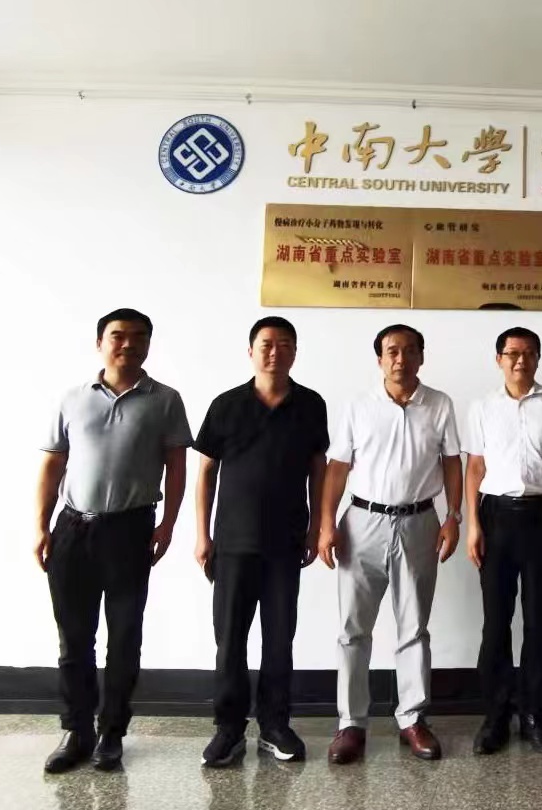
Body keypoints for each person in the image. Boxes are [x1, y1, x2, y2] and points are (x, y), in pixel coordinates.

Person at [36, 308, 193, 774]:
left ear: (148, 344)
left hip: (130, 530)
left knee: (124, 636)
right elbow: (53, 464)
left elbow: (176, 467)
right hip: (72, 529)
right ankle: (76, 730)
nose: (128, 344)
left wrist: (168, 525)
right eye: (118, 336)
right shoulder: (73, 398)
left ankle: (112, 732)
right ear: (100, 343)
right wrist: (40, 525)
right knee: (74, 638)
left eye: (138, 337)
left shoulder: (165, 400)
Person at [318, 324, 462, 765]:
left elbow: (452, 463)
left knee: (414, 626)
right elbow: (337, 468)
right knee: (353, 628)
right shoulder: (358, 406)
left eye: (409, 351)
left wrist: (453, 516)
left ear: (422, 356)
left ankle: (412, 719)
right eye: (392, 351)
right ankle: (350, 724)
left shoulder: (439, 404)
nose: (401, 359)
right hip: (362, 523)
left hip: (420, 522)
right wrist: (325, 523)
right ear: (380, 359)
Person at [193, 317, 329, 767]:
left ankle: (275, 726)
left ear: (295, 353)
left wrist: (316, 527)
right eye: (267, 344)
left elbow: (318, 468)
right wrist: (203, 534)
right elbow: (206, 472)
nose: (275, 352)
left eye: (285, 344)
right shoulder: (227, 404)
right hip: (233, 543)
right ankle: (228, 729)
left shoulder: (310, 404)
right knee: (230, 640)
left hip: (286, 542)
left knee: (279, 637)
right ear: (250, 351)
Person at [464, 327, 542, 756]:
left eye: (529, 353)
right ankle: (496, 715)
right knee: (496, 621)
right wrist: (473, 525)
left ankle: (534, 713)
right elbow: (475, 468)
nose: (521, 360)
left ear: (537, 359)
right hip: (495, 516)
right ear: (498, 359)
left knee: (537, 620)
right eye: (512, 353)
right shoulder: (482, 407)